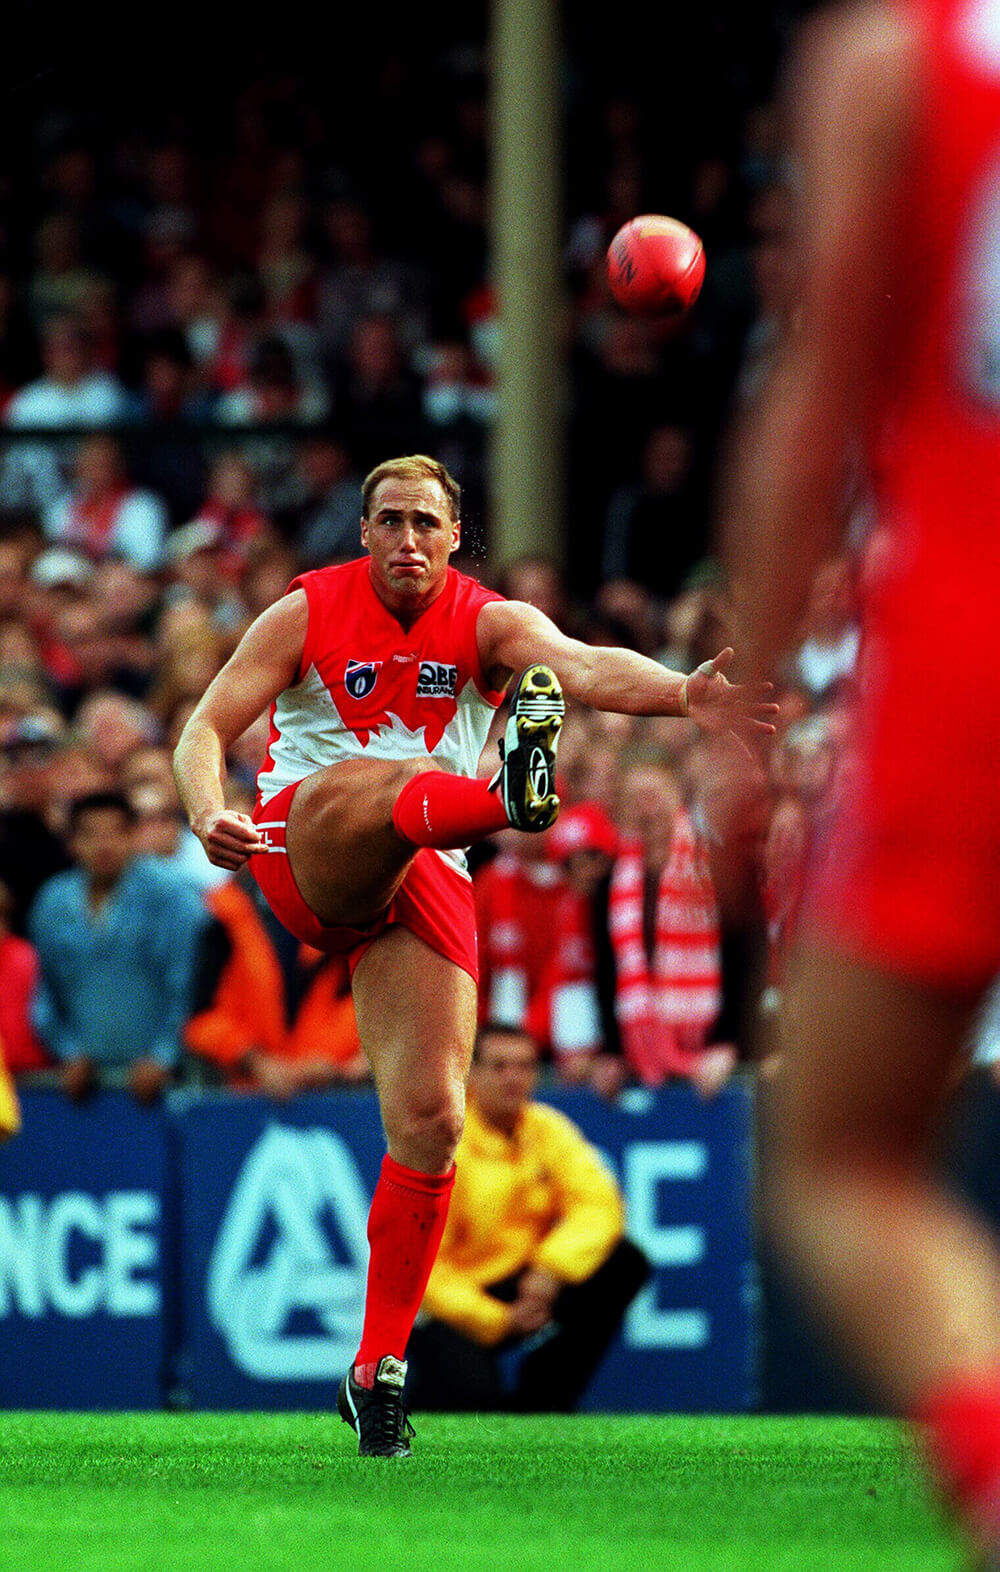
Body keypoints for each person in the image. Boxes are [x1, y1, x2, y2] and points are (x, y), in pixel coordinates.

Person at [172, 452, 773, 1457]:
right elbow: (204, 728)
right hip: (306, 841)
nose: (408, 539)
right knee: (367, 781)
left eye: (426, 524)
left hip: (427, 866)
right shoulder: (306, 609)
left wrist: (683, 698)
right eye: (390, 521)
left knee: (432, 1121)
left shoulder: (489, 620)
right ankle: (509, 799)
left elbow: (579, 666)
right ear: (363, 533)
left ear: (454, 539)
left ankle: (374, 1373)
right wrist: (205, 810)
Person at [724, 1, 1000, 1560]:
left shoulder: (898, 55)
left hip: (973, 653)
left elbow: (815, 399)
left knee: (837, 1157)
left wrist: (745, 718)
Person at [406, 1023, 650, 1412]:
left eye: (524, 1066)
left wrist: (552, 1269)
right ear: (471, 1073)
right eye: (499, 1066)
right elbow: (420, 1265)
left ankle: (544, 1398)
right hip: (451, 1303)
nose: (513, 1078)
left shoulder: (547, 1129)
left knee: (624, 1263)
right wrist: (498, 1320)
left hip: (527, 1281)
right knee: (473, 1400)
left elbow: (601, 1206)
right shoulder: (445, 1143)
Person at [28, 791, 207, 1105]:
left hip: (167, 1082)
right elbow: (45, 992)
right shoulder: (53, 901)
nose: (104, 845)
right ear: (71, 842)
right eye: (91, 834)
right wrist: (67, 1051)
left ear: (134, 835)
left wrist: (163, 1056)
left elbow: (190, 986)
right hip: (84, 1083)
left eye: (116, 832)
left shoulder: (173, 897)